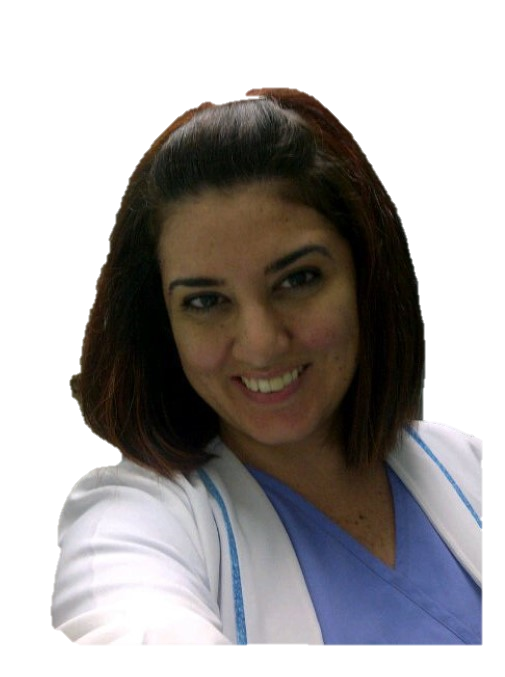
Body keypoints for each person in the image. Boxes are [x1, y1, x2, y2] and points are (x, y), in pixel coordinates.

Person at [52, 87, 483, 646]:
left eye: (297, 279)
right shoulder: (133, 523)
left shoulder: (467, 464)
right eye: (205, 301)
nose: (260, 345)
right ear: (162, 326)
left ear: (366, 278)